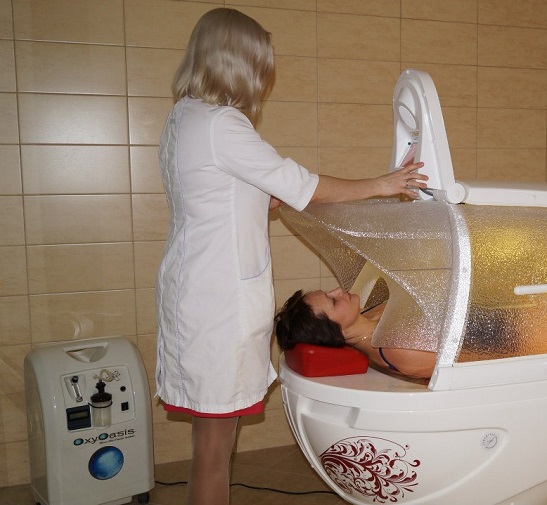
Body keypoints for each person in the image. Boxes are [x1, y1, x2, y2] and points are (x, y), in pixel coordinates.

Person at [154, 8, 427, 505]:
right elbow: (303, 186)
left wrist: (266, 197)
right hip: (220, 303)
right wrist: (383, 184)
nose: (262, 77)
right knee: (215, 449)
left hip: (194, 290)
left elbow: (222, 195)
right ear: (236, 62)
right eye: (260, 65)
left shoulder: (182, 118)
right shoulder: (222, 124)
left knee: (208, 442)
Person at [274, 287, 436, 379]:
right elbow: (452, 370)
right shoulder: (399, 350)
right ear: (337, 331)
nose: (338, 290)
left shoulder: (366, 315)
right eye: (334, 301)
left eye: (329, 292)